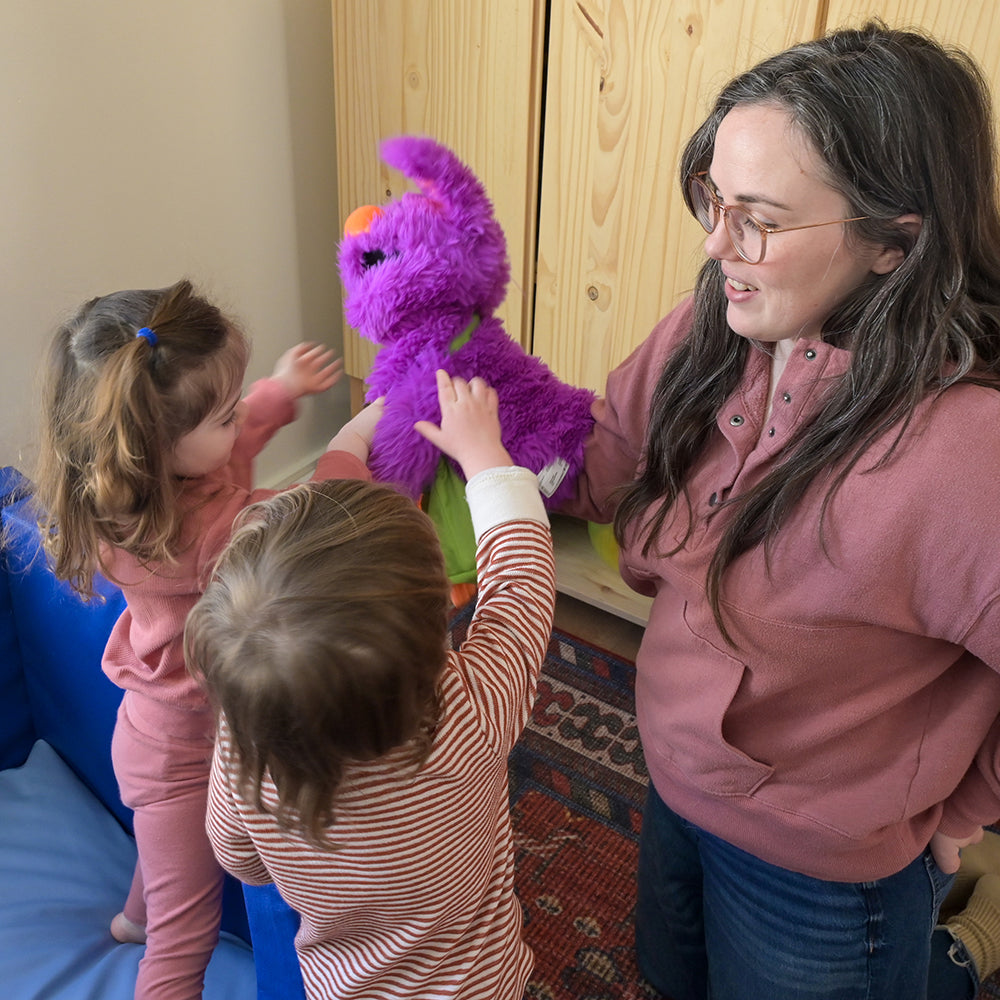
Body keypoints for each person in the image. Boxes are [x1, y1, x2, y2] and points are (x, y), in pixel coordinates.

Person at [561, 21, 1000, 1000]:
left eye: (755, 216)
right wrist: (467, 405)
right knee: (673, 975)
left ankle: (962, 948)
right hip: (676, 786)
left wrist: (951, 814)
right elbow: (599, 465)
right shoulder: (709, 325)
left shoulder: (968, 459)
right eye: (711, 199)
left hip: (829, 875)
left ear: (895, 241)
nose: (716, 246)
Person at [32, 278, 381, 1000]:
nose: (240, 416)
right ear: (157, 446)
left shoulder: (131, 483)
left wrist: (278, 395)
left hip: (155, 737)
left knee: (162, 863)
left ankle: (133, 918)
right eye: (226, 411)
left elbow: (231, 438)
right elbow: (306, 518)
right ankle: (150, 955)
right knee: (182, 934)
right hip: (186, 756)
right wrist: (349, 446)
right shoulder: (200, 531)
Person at [186, 369, 555, 1000]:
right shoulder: (469, 714)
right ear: (436, 634)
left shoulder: (250, 753)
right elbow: (520, 584)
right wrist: (483, 455)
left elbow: (237, 857)